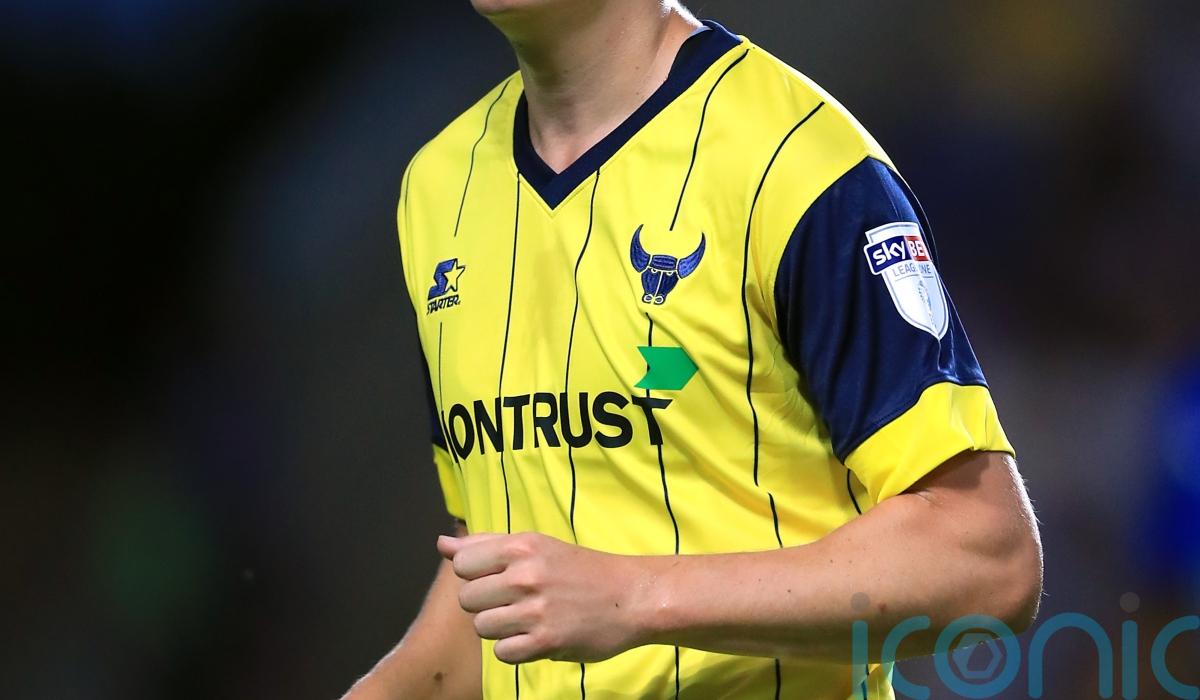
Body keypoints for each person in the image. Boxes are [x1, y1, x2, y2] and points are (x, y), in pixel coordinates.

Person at [344, 1, 1043, 698]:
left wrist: (638, 597)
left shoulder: (799, 162)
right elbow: (503, 590)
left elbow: (987, 559)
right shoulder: (438, 190)